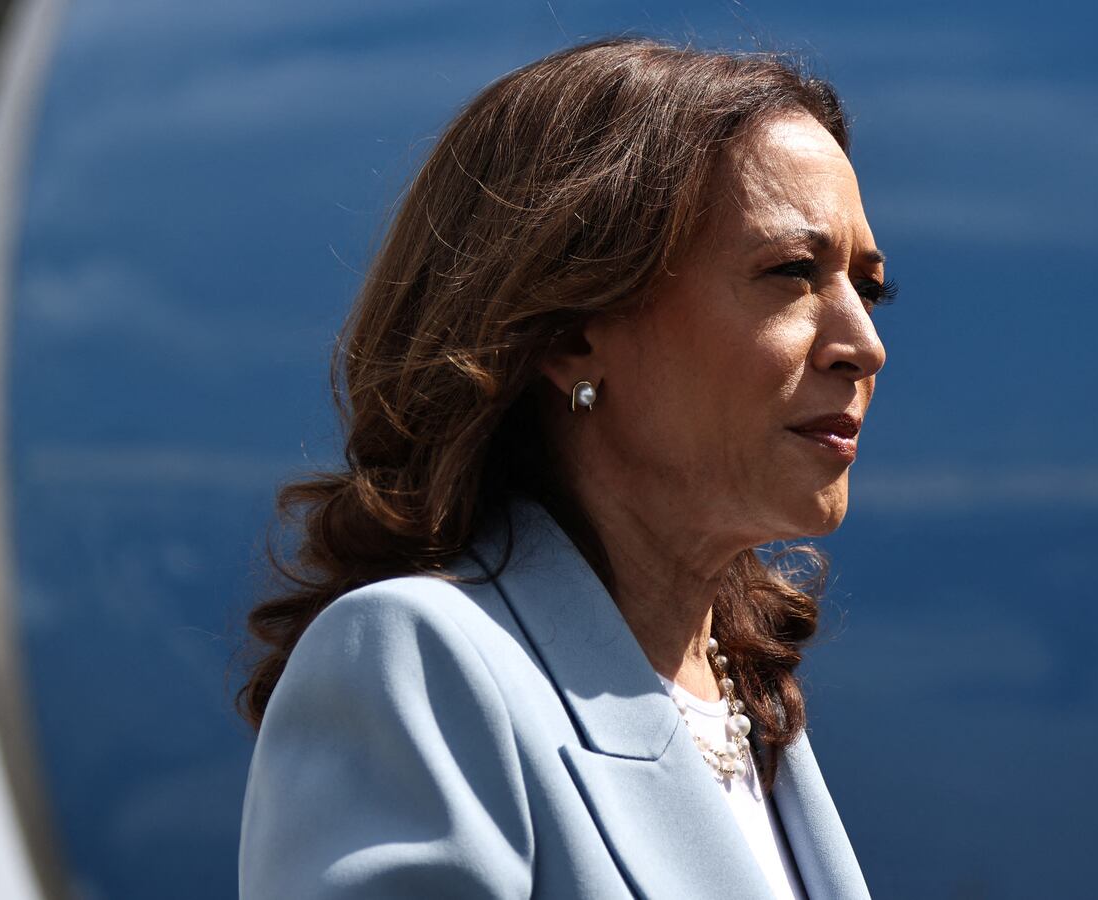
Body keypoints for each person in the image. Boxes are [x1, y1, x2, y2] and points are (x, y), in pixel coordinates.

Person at [236, 35, 891, 900]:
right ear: (572, 331)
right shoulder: (418, 663)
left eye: (868, 288)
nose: (863, 345)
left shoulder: (754, 708)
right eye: (792, 273)